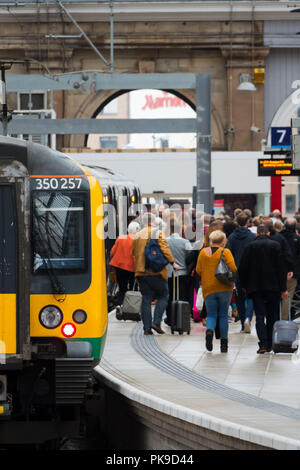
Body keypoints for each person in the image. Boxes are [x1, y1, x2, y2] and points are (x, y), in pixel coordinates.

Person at [238, 224, 288, 354]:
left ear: (257, 234)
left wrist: (244, 285)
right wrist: (283, 288)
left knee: (260, 316)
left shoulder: (249, 246)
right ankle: (272, 342)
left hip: (255, 287)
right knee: (273, 315)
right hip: (273, 287)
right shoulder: (275, 246)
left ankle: (263, 344)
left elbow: (243, 268)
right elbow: (281, 269)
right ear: (268, 233)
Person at [132, 212, 179, 335]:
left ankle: (147, 328)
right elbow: (165, 249)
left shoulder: (137, 235)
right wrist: (173, 262)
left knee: (146, 299)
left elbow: (133, 252)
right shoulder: (157, 233)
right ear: (153, 222)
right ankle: (156, 322)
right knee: (164, 295)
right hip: (156, 271)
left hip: (141, 272)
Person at [196, 230, 237, 353]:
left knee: (211, 314)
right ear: (223, 241)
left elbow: (198, 270)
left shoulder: (203, 252)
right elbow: (234, 268)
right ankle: (224, 344)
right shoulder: (226, 252)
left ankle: (209, 330)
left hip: (208, 288)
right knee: (223, 315)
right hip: (224, 287)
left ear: (211, 240)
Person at [227, 212, 256, 333]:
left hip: (237, 270)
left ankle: (243, 322)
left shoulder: (232, 237)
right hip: (250, 269)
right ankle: (248, 318)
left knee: (239, 297)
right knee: (250, 296)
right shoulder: (252, 237)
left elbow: (228, 254)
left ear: (236, 222)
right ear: (248, 222)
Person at [165, 219, 191, 325]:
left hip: (169, 273)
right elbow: (190, 256)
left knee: (169, 296)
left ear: (170, 229)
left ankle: (170, 318)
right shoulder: (185, 242)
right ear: (180, 230)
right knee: (182, 296)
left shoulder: (165, 241)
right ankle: (181, 318)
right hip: (183, 273)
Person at [109, 221, 141, 309]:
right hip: (132, 267)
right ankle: (131, 307)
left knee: (122, 287)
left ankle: (120, 304)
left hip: (119, 267)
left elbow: (112, 252)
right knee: (133, 287)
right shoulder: (138, 241)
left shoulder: (120, 238)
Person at [280, 218, 300, 320]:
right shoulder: (297, 239)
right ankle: (284, 319)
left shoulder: (278, 237)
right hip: (292, 273)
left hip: (278, 271)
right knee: (287, 297)